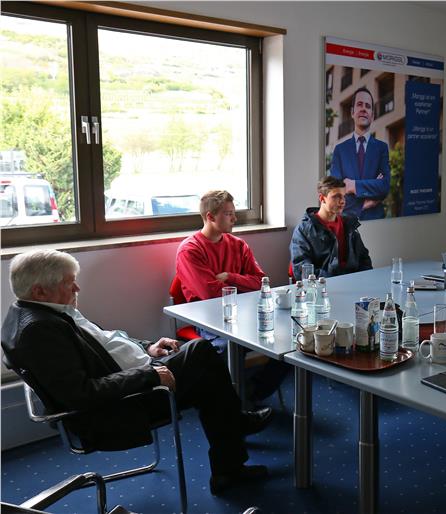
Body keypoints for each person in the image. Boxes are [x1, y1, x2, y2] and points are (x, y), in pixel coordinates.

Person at [1, 250, 272, 495]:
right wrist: (149, 375)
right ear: (39, 291)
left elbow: (105, 341)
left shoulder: (45, 312)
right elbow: (81, 394)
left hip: (133, 377)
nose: (77, 288)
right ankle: (233, 445)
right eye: (68, 282)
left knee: (206, 375)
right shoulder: (40, 332)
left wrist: (148, 347)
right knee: (201, 355)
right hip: (122, 405)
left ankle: (230, 458)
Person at [176, 190, 289, 404]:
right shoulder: (190, 250)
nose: (234, 219)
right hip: (210, 320)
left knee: (289, 338)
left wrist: (230, 277)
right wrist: (243, 284)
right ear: (210, 216)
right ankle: (234, 401)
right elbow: (211, 295)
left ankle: (250, 393)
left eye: (233, 213)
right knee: (229, 347)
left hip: (245, 316)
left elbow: (261, 282)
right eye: (228, 214)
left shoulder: (238, 245)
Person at [290, 176, 373, 279]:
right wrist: (336, 281)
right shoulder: (303, 230)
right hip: (324, 285)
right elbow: (302, 269)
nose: (342, 201)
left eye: (344, 196)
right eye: (336, 196)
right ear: (322, 198)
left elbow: (364, 259)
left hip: (353, 283)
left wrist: (363, 279)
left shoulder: (349, 225)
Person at [329, 87, 391, 220]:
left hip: (377, 223)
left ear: (372, 115)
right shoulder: (340, 150)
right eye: (359, 104)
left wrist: (353, 186)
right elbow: (336, 192)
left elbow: (384, 186)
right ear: (352, 112)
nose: (363, 109)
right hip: (347, 224)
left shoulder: (382, 148)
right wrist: (365, 204)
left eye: (368, 106)